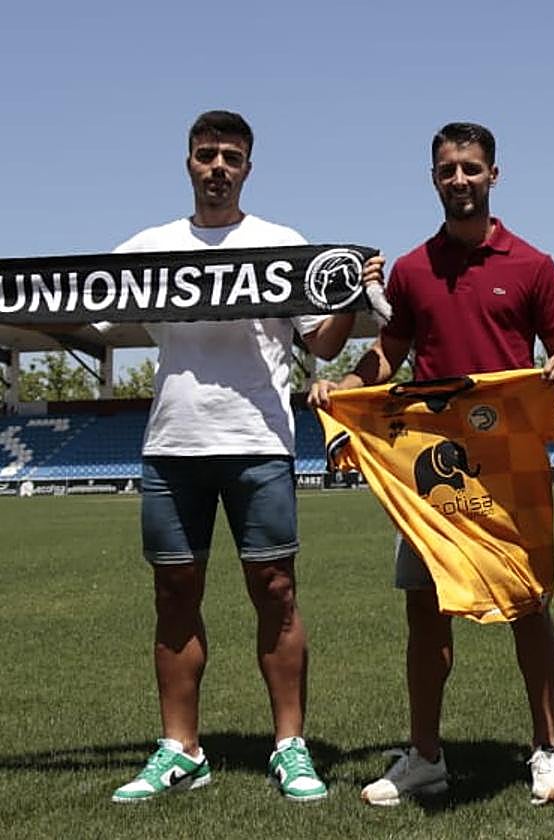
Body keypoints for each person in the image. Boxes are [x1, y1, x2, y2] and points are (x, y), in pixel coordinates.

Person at [110, 110, 383, 804]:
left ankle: (289, 746)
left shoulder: (280, 245)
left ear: (248, 167)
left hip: (260, 441)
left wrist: (347, 291)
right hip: (173, 444)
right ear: (189, 163)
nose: (218, 166)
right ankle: (181, 749)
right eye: (207, 154)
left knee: (278, 594)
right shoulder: (149, 246)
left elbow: (322, 345)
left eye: (231, 155)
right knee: (173, 595)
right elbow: (95, 312)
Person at [308, 122, 554, 807]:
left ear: (494, 175)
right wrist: (346, 386)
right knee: (424, 613)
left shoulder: (533, 265)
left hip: (509, 465)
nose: (459, 179)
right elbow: (387, 355)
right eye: (447, 169)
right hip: (429, 470)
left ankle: (547, 753)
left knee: (529, 608)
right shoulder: (410, 269)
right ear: (434, 178)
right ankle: (425, 755)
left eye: (471, 168)